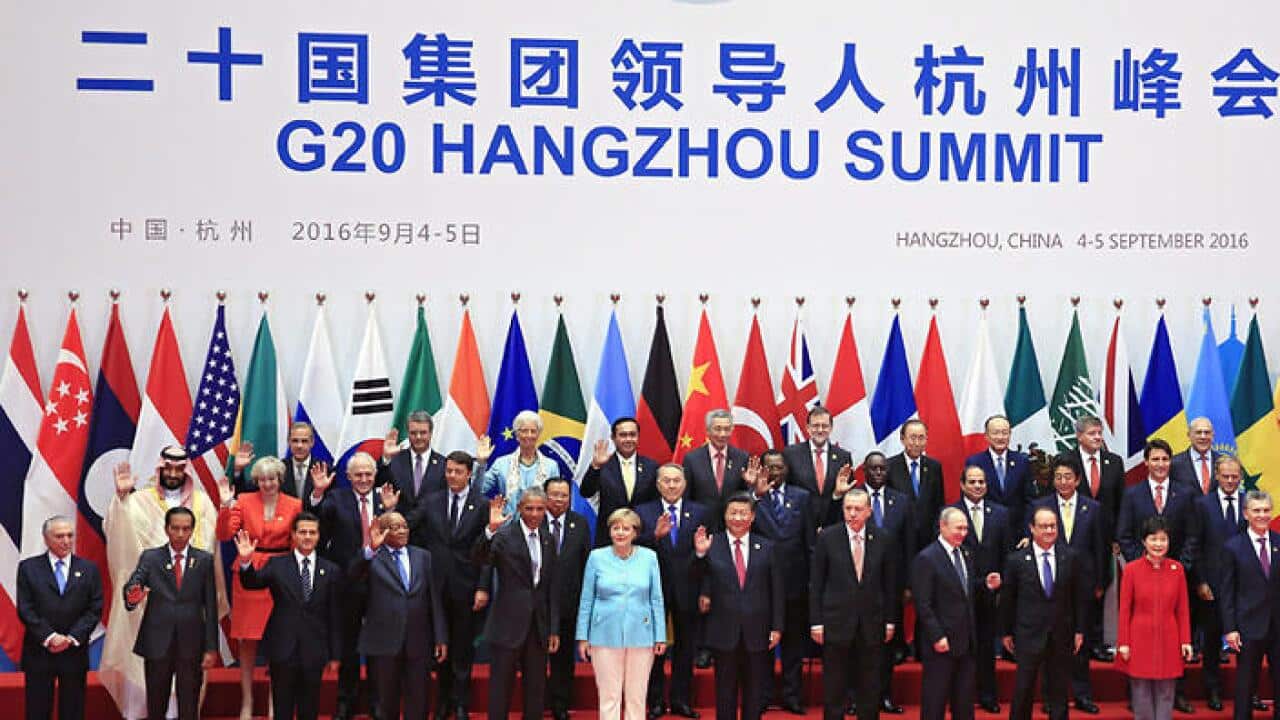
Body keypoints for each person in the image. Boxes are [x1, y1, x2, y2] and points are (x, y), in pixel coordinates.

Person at [102, 446, 225, 720]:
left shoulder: (202, 503)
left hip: (190, 623)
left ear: (186, 471)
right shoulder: (140, 500)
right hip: (152, 610)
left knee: (188, 698)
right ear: (160, 468)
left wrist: (210, 646)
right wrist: (121, 498)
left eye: (178, 469)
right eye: (167, 468)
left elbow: (210, 549)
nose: (172, 473)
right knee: (154, 692)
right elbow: (119, 534)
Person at [215, 455, 303, 720]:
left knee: (281, 641)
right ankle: (247, 702)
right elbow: (223, 535)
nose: (267, 484)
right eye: (262, 479)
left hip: (280, 574)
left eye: (272, 479)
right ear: (256, 481)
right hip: (248, 571)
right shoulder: (242, 501)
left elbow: (297, 542)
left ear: (280, 479)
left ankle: (278, 703)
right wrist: (224, 505)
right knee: (247, 641)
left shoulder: (295, 504)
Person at [309, 451, 396, 720]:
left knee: (378, 644)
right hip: (347, 582)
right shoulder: (337, 499)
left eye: (368, 474)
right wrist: (317, 494)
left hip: (381, 583)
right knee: (348, 644)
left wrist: (392, 511)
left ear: (375, 476)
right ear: (348, 477)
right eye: (357, 474)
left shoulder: (385, 501)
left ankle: (377, 701)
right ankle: (346, 700)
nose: (363, 479)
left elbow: (398, 538)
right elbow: (317, 519)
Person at [235, 512, 342, 720]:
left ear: (319, 536)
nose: (307, 537)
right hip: (283, 648)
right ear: (293, 535)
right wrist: (246, 562)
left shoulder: (331, 570)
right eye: (302, 532)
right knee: (282, 709)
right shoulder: (277, 565)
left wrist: (335, 655)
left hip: (314, 650)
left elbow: (335, 616)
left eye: (312, 532)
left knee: (309, 709)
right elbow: (251, 583)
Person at [1115, 439, 1196, 712]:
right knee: (1141, 683)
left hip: (1174, 575)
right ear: (1146, 462)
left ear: (1170, 462)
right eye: (1156, 459)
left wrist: (1176, 563)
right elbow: (1123, 534)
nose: (1161, 464)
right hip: (1141, 577)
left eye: (1165, 459)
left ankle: (1177, 698)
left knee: (1168, 676)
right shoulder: (1132, 494)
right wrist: (1144, 563)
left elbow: (1192, 535)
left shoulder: (1184, 494)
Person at [691, 493, 784, 720]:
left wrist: (777, 627)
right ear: (724, 515)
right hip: (723, 630)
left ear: (752, 516)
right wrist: (700, 554)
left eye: (743, 513)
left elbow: (777, 591)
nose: (738, 517)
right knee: (725, 692)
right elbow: (695, 580)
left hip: (758, 630)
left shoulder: (768, 546)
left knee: (755, 692)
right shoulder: (713, 543)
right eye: (733, 512)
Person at [809, 489, 899, 720]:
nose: (852, 513)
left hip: (872, 622)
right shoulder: (827, 537)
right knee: (834, 687)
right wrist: (816, 622)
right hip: (835, 622)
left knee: (869, 685)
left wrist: (890, 620)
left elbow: (890, 585)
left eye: (858, 509)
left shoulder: (883, 538)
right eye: (848, 508)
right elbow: (816, 583)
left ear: (869, 511)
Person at [412, 451, 489, 720]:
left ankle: (460, 703)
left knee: (462, 648)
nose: (451, 476)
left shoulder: (482, 505)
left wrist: (482, 586)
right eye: (448, 471)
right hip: (433, 587)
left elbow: (487, 551)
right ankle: (443, 701)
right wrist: (389, 511)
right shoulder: (430, 500)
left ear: (469, 473)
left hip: (466, 587)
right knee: (438, 646)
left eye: (457, 471)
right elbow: (410, 527)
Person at [123, 506, 219, 720]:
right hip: (157, 643)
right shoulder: (150, 558)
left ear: (192, 530)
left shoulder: (204, 560)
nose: (180, 534)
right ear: (166, 529)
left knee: (189, 706)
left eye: (186, 529)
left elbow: (211, 607)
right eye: (175, 528)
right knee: (156, 705)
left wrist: (211, 647)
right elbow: (135, 583)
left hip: (192, 644)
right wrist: (133, 594)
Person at [350, 511, 448, 720]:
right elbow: (352, 577)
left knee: (419, 700)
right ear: (383, 532)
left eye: (404, 526)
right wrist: (370, 550)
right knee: (385, 703)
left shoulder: (423, 556)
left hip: (418, 639)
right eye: (395, 527)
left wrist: (440, 637)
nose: (403, 531)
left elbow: (433, 599)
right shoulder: (373, 557)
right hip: (383, 641)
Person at [473, 487, 560, 720]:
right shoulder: (504, 535)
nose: (534, 513)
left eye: (540, 509)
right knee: (500, 687)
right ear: (520, 509)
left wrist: (553, 628)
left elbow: (550, 586)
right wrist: (490, 530)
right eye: (529, 508)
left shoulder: (548, 539)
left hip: (538, 626)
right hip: (507, 624)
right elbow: (479, 558)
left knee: (536, 689)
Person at [1028, 455, 1106, 713]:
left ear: (1078, 480)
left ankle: (1083, 695)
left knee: (1081, 640)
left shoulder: (1092, 508)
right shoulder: (1041, 506)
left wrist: (1100, 582)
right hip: (1051, 584)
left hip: (1083, 584)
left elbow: (1100, 548)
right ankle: (1051, 698)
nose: (1063, 482)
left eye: (1068, 477)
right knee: (1051, 642)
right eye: (1058, 477)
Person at [911, 507, 1001, 720]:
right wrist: (937, 636)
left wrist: (984, 585)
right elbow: (923, 604)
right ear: (943, 527)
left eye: (965, 528)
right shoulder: (927, 558)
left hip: (966, 642)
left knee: (964, 704)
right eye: (958, 528)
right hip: (940, 644)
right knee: (935, 702)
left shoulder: (966, 554)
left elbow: (963, 591)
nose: (963, 533)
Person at [577, 509, 666, 720]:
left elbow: (656, 599)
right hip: (604, 634)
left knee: (637, 695)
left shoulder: (649, 557)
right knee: (609, 694)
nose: (620, 533)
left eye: (626, 528)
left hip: (642, 634)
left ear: (635, 532)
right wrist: (583, 636)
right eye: (616, 528)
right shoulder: (596, 557)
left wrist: (660, 635)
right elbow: (586, 599)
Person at [1001, 507, 1088, 720]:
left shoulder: (1071, 557)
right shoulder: (1017, 560)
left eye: (1053, 526)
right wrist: (1005, 632)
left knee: (1059, 691)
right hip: (1028, 634)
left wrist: (1079, 630)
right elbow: (1007, 600)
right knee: (1023, 689)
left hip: (1062, 633)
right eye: (1043, 526)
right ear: (1032, 528)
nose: (1049, 530)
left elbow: (1079, 597)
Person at [745, 450, 816, 714]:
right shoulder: (752, 496)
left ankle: (791, 695)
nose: (775, 471)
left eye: (779, 466)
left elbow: (810, 543)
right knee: (762, 643)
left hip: (795, 582)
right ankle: (761, 695)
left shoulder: (802, 496)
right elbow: (740, 525)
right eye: (769, 467)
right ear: (762, 469)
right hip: (760, 584)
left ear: (787, 468)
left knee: (794, 645)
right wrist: (756, 494)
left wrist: (813, 581)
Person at [635, 464, 707, 720]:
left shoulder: (701, 512)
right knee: (653, 649)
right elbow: (631, 549)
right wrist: (653, 536)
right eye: (666, 481)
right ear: (657, 484)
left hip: (689, 589)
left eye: (677, 480)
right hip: (652, 592)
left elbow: (709, 555)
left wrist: (700, 554)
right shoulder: (643, 512)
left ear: (685, 484)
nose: (672, 485)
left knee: (687, 649)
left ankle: (681, 701)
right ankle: (655, 702)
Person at [16, 516, 103, 720]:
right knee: (37, 710)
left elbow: (95, 608)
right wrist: (50, 636)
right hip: (39, 652)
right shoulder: (29, 568)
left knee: (73, 711)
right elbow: (26, 609)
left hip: (74, 652)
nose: (66, 540)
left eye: (70, 535)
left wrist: (72, 637)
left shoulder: (89, 569)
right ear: (46, 539)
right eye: (59, 536)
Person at [949, 465, 1012, 714]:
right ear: (962, 485)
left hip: (990, 593)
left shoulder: (1001, 513)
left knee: (986, 647)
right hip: (958, 592)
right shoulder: (950, 513)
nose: (977, 486)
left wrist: (1001, 581)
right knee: (960, 648)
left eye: (981, 482)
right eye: (972, 482)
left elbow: (1007, 552)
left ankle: (987, 695)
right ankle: (958, 697)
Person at [1117, 516, 1193, 720]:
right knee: (1140, 693)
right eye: (1153, 539)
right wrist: (1123, 642)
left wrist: (1185, 640)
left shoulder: (1177, 570)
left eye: (1163, 539)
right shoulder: (1132, 570)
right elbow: (1124, 609)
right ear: (1144, 541)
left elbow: (1183, 610)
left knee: (1167, 693)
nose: (1158, 544)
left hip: (1169, 637)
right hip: (1139, 637)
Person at [1188, 455, 1249, 710]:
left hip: (1244, 588)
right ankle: (1212, 690)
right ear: (1216, 476)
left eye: (1235, 476)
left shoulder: (1250, 503)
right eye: (1226, 476)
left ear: (1241, 478)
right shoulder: (1202, 505)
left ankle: (1249, 692)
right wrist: (1200, 581)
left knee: (1248, 645)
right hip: (1211, 587)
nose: (1230, 481)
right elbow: (1195, 545)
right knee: (1211, 644)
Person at [1219, 490, 1280, 720]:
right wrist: (1230, 629)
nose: (1262, 515)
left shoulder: (1279, 541)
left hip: (1277, 625)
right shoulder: (1233, 547)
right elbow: (1227, 592)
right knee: (1245, 686)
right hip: (1247, 627)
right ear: (1246, 513)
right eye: (1257, 510)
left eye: (1266, 510)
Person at [863, 451, 914, 715]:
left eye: (883, 469)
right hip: (857, 586)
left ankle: (883, 695)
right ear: (865, 471)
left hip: (890, 585)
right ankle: (855, 698)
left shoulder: (901, 501)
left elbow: (908, 545)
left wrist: (907, 584)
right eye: (874, 469)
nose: (879, 473)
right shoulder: (852, 500)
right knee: (856, 644)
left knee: (886, 645)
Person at [1071, 415, 1122, 665]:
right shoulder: (1067, 461)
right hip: (1076, 538)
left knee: (1101, 587)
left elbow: (1120, 503)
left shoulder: (1114, 462)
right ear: (1079, 436)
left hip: (1104, 539)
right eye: (1092, 433)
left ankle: (1098, 641)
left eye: (1100, 433)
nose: (1098, 437)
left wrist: (1117, 538)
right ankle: (1074, 639)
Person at [545, 477, 592, 720]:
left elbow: (586, 564)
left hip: (568, 603)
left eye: (564, 495)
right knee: (535, 657)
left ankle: (560, 704)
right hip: (537, 605)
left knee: (564, 659)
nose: (559, 500)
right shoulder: (533, 520)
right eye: (554, 494)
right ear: (545, 496)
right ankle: (538, 700)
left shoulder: (580, 524)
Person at [580, 417, 660, 548]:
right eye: (623, 435)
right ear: (613, 437)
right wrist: (595, 466)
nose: (628, 439)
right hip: (609, 538)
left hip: (642, 538)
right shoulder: (603, 465)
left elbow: (655, 503)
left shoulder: (651, 466)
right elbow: (586, 492)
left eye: (632, 435)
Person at [377, 411, 448, 544]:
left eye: (423, 432)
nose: (418, 437)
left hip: (432, 539)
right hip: (397, 536)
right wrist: (386, 459)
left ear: (431, 433)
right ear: (408, 433)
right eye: (413, 433)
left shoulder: (444, 464)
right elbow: (378, 484)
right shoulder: (395, 460)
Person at [477, 410, 561, 518]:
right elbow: (479, 490)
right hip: (508, 527)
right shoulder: (501, 463)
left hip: (539, 527)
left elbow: (554, 499)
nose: (529, 435)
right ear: (516, 434)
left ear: (539, 434)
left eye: (533, 431)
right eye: (524, 431)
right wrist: (481, 462)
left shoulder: (551, 466)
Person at [781, 406, 853, 529]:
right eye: (815, 426)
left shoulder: (843, 456)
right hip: (799, 524)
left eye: (824, 426)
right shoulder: (790, 454)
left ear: (831, 428)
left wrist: (838, 493)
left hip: (832, 523)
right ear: (808, 428)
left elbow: (848, 493)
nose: (820, 430)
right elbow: (785, 489)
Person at [963, 415, 1031, 537]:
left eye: (1004, 433)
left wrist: (1027, 534)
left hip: (1017, 534)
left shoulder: (1022, 461)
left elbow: (1029, 501)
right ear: (986, 436)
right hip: (986, 533)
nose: (1000, 437)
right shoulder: (975, 462)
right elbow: (969, 500)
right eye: (995, 433)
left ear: (1010, 435)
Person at [682, 409, 749, 533]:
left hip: (733, 527)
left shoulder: (742, 457)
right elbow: (687, 496)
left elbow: (745, 496)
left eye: (727, 429)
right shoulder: (692, 459)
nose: (722, 434)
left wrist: (751, 484)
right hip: (701, 527)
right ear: (707, 431)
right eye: (717, 429)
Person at [887, 419, 945, 552]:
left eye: (921, 438)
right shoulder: (890, 466)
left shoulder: (934, 467)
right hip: (899, 538)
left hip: (929, 538)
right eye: (912, 438)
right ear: (902, 439)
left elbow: (939, 503)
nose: (917, 443)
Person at [230, 422, 320, 498]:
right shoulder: (277, 468)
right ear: (288, 441)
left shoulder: (324, 470)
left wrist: (318, 491)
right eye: (295, 441)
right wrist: (238, 470)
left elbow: (330, 507)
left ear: (312, 442)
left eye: (304, 441)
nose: (299, 446)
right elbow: (243, 494)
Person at [1169, 417, 1222, 495]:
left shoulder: (1222, 461)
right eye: (1198, 432)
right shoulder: (1174, 463)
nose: (1203, 437)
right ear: (1189, 435)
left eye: (1207, 432)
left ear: (1213, 435)